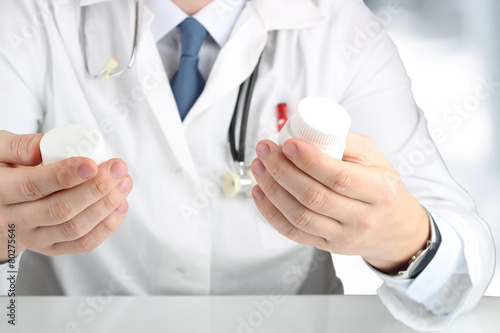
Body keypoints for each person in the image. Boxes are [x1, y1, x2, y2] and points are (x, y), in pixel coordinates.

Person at [0, 0, 495, 330]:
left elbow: (458, 288)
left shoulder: (341, 27)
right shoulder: (27, 16)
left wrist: (402, 237)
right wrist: (4, 237)